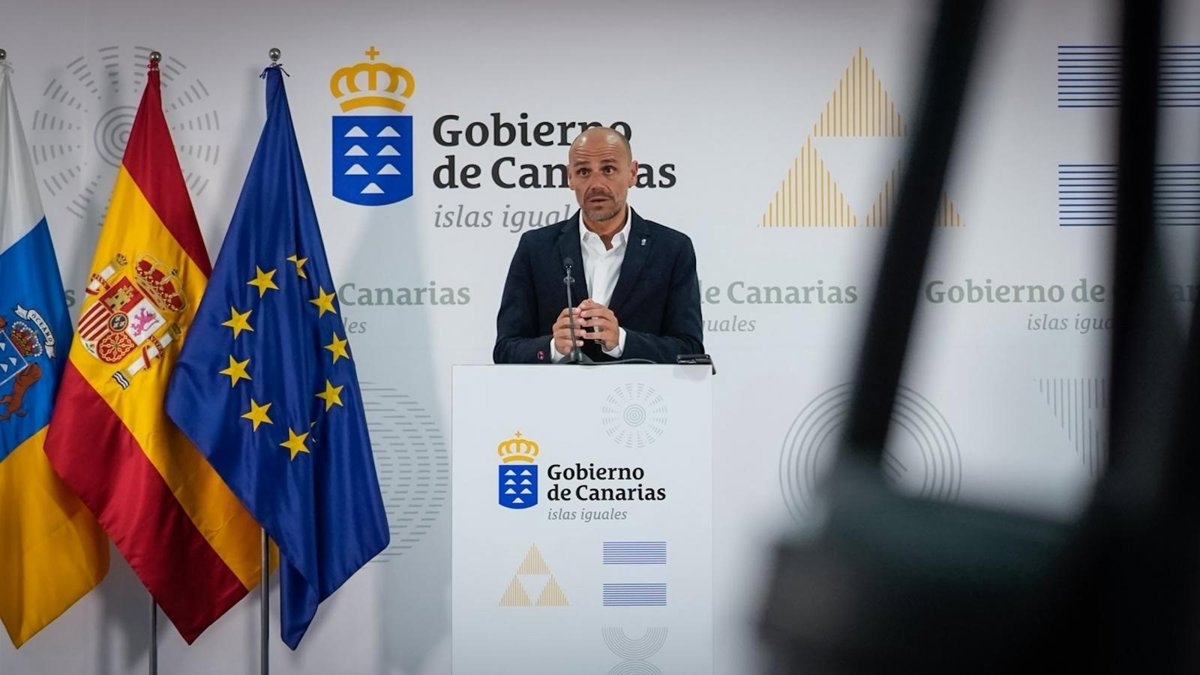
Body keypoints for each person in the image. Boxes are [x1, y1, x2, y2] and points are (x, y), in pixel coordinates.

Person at [493, 127, 703, 364]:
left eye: (608, 169)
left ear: (632, 173)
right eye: (583, 171)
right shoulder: (536, 248)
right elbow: (505, 350)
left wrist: (622, 341)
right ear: (570, 178)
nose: (596, 183)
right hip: (557, 388)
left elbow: (690, 350)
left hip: (638, 389)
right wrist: (553, 347)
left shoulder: (672, 250)